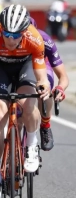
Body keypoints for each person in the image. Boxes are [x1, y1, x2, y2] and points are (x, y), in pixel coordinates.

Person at [0, 4, 50, 198]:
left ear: (25, 31)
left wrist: (43, 86)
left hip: (24, 66)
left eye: (16, 35)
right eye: (7, 33)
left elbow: (41, 75)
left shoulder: (35, 39)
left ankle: (32, 147)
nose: (10, 39)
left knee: (28, 102)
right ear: (1, 28)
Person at [29, 17, 69, 151]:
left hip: (41, 65)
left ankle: (45, 126)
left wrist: (60, 88)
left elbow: (62, 76)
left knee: (45, 89)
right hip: (17, 66)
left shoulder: (44, 39)